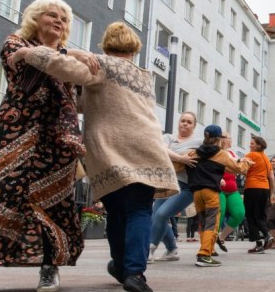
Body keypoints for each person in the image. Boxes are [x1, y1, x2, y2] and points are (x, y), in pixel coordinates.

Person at [11, 21, 180, 292]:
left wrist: (28, 53)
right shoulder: (144, 75)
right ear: (134, 48)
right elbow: (90, 101)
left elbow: (63, 68)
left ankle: (121, 265)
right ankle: (133, 273)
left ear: (106, 44)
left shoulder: (100, 65)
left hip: (110, 147)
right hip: (147, 146)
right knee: (139, 210)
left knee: (115, 211)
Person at [0, 0, 98, 292]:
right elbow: (39, 62)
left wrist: (72, 54)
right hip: (17, 132)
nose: (59, 21)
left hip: (57, 139)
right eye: (51, 15)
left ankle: (48, 267)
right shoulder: (15, 44)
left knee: (53, 203)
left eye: (64, 19)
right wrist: (71, 54)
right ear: (35, 18)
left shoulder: (64, 56)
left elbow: (77, 88)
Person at [186, 125, 252, 267]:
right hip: (211, 192)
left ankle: (204, 251)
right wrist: (245, 162)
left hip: (196, 192)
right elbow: (238, 169)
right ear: (218, 139)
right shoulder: (221, 154)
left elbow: (182, 164)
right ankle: (204, 254)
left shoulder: (194, 153)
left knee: (203, 223)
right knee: (212, 223)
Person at [148, 112, 201, 264]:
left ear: (194, 126)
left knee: (161, 215)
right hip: (165, 183)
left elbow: (213, 156)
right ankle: (172, 249)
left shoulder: (198, 142)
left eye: (189, 122)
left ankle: (149, 249)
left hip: (185, 187)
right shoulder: (168, 138)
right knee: (156, 216)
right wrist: (181, 158)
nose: (185, 123)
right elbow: (161, 150)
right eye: (183, 120)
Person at [243, 136, 275, 253]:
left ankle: (262, 239)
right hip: (265, 189)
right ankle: (265, 238)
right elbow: (271, 177)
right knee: (260, 215)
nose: (250, 145)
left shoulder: (250, 155)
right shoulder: (267, 159)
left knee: (250, 215)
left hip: (252, 188)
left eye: (252, 144)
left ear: (259, 145)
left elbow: (242, 169)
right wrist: (272, 193)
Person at [216, 132, 246, 252]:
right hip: (219, 189)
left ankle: (221, 237)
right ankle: (209, 244)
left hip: (232, 189)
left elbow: (235, 168)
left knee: (239, 213)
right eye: (229, 138)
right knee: (219, 214)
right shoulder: (217, 152)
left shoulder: (232, 152)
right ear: (222, 139)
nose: (231, 141)